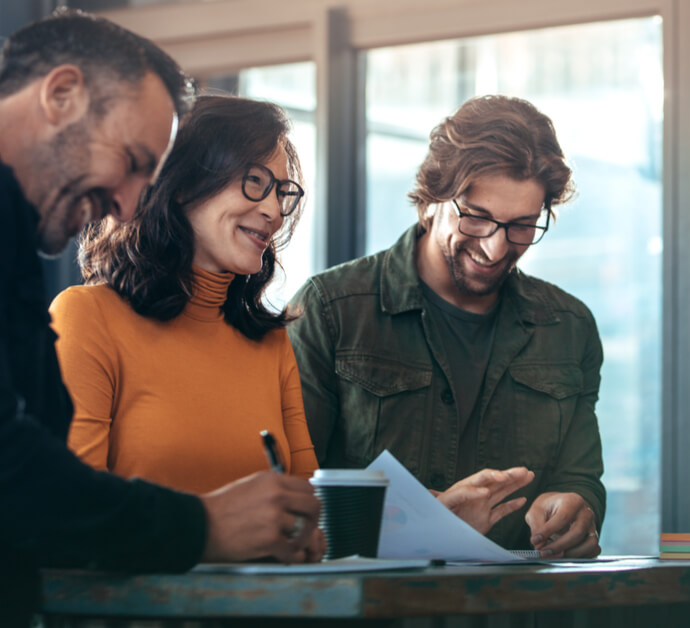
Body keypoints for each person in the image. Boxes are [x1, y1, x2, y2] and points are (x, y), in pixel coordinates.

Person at [0, 10, 322, 622]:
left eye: (283, 194)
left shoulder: (15, 259)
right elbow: (26, 483)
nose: (126, 205)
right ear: (61, 94)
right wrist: (202, 526)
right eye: (131, 159)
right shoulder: (81, 311)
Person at [289, 95, 605, 558]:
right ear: (431, 199)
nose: (496, 248)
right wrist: (416, 523)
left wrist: (573, 508)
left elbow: (579, 479)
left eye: (522, 226)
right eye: (477, 218)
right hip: (370, 614)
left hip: (517, 616)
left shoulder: (568, 326)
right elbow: (289, 496)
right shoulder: (331, 311)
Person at [49, 95, 319, 494]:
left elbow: (311, 509)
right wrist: (211, 530)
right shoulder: (87, 318)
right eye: (256, 183)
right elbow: (72, 506)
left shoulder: (270, 340)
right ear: (182, 185)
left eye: (281, 192)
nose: (275, 212)